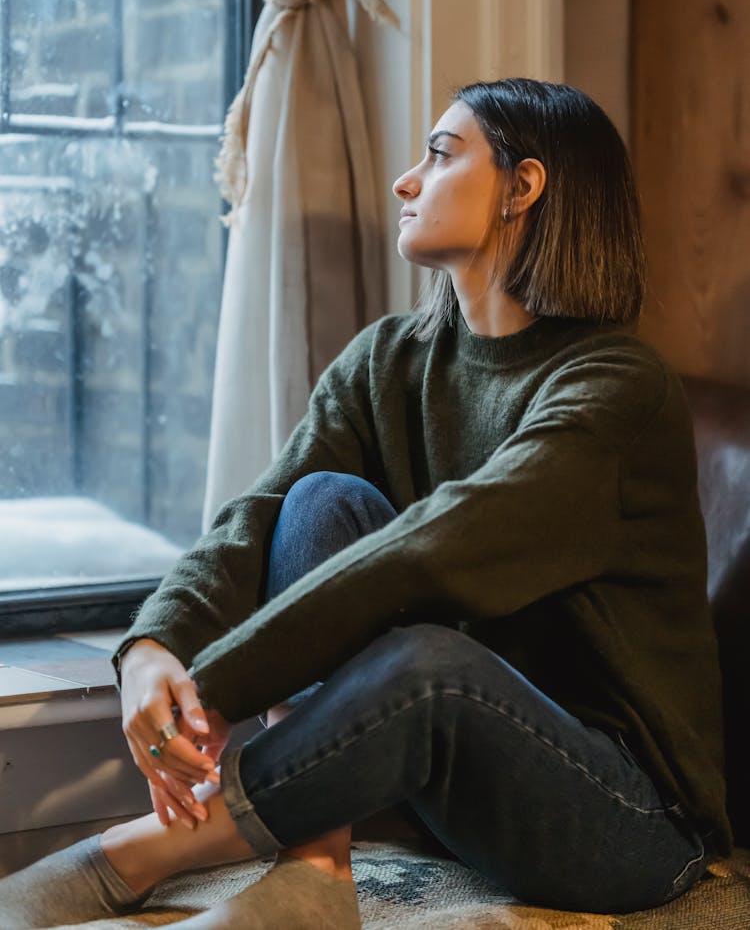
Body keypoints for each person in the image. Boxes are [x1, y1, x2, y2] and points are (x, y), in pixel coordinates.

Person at [0, 79, 730, 930]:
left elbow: (442, 548)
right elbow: (264, 511)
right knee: (318, 503)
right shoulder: (391, 358)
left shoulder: (615, 387)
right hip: (460, 774)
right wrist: (155, 644)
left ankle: (132, 852)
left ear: (524, 187)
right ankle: (315, 868)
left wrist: (219, 685)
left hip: (631, 818)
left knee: (427, 658)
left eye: (441, 153)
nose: (405, 181)